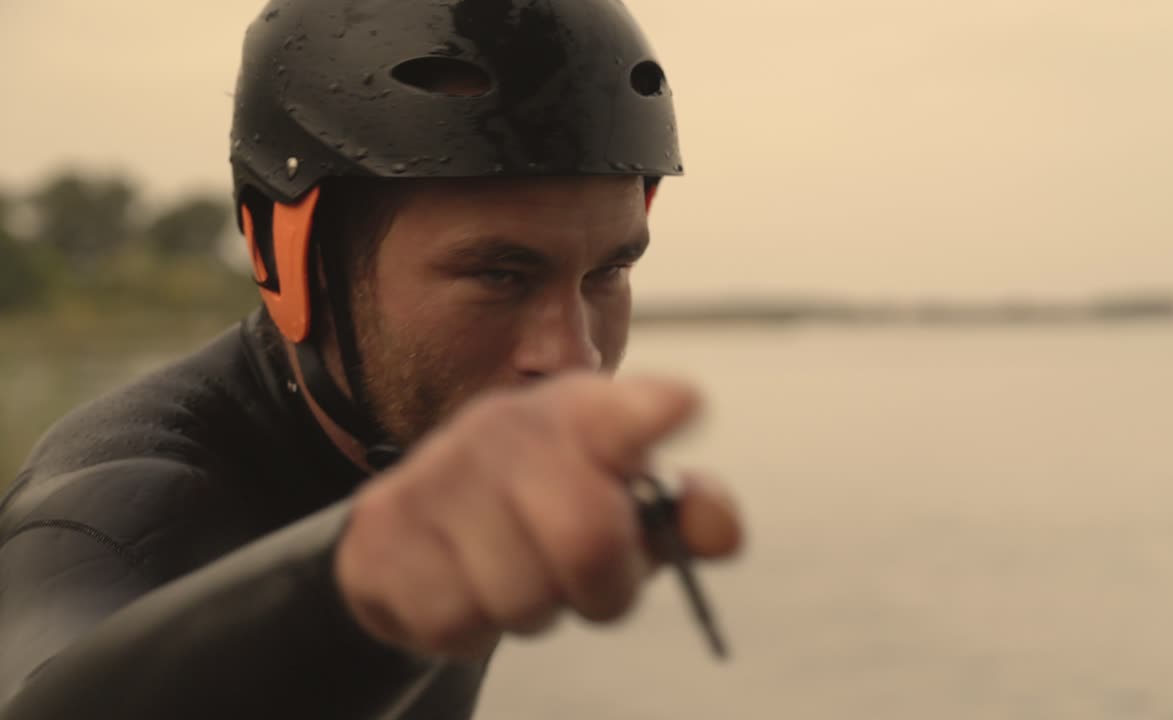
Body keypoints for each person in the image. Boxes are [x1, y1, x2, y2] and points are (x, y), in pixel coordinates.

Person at [0, 0, 744, 717]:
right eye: (498, 276)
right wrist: (358, 589)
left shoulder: (429, 438)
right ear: (290, 260)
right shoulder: (112, 513)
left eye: (607, 273)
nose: (573, 360)